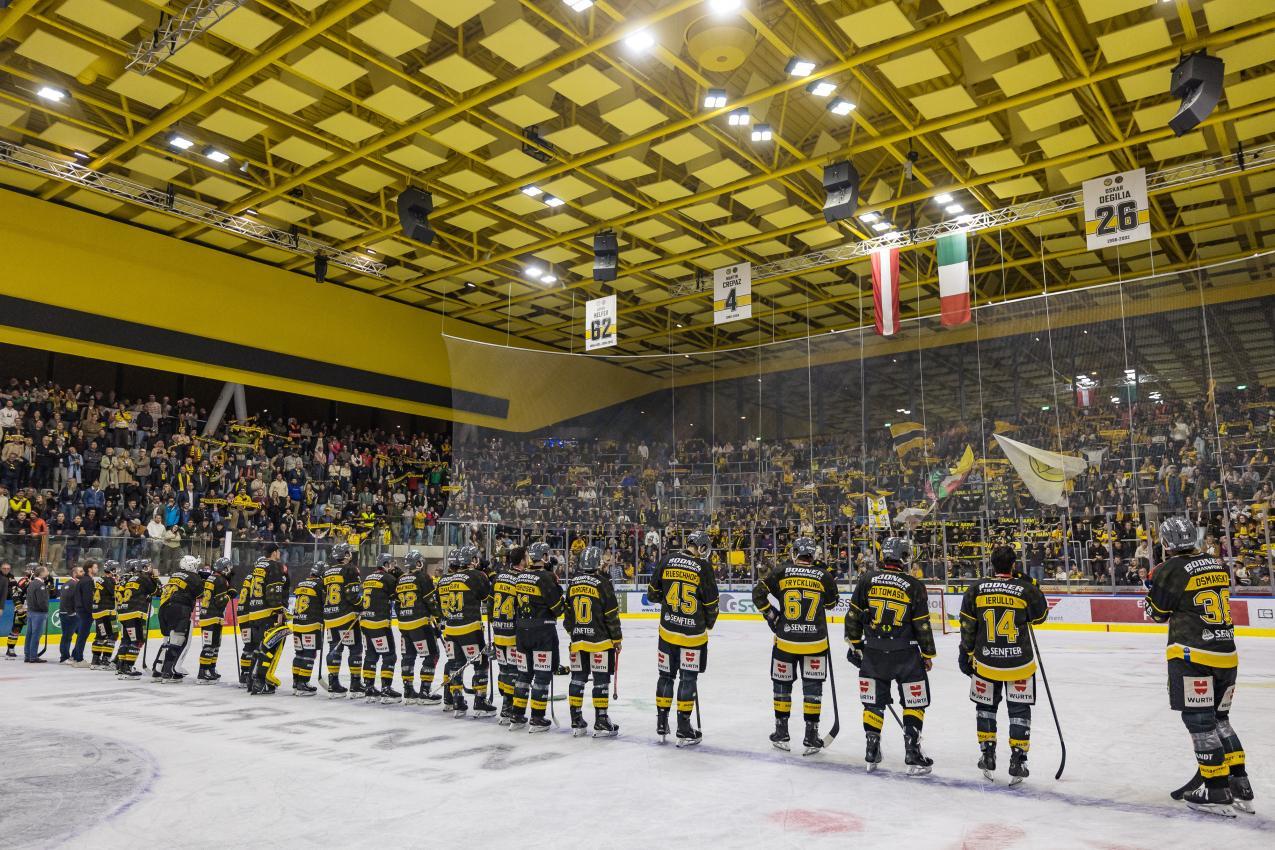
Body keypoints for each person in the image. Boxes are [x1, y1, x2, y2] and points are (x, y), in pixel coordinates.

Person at [1144, 516, 1252, 816]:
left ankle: (1216, 789)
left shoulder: (1169, 569)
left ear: (1166, 543)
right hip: (1226, 654)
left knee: (1200, 721)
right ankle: (1239, 782)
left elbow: (1157, 614)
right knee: (1221, 719)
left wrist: (1149, 587)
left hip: (1193, 655)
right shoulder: (1215, 564)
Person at [957, 545, 1049, 785]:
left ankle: (987, 754)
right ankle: (1018, 759)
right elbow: (1040, 616)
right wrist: (1028, 582)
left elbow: (967, 627)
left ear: (991, 564)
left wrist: (965, 653)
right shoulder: (1024, 588)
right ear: (1014, 565)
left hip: (985, 661)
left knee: (985, 707)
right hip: (1019, 663)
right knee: (1019, 711)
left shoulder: (976, 589)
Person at [845, 537, 936, 775]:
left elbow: (853, 616)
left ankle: (871, 750)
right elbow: (922, 625)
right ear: (904, 557)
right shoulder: (914, 585)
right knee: (914, 701)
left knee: (873, 702)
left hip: (874, 652)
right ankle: (912, 753)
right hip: (905, 653)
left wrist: (855, 645)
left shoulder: (867, 579)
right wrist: (927, 654)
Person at [753, 536, 839, 754]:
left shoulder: (781, 571)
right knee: (813, 688)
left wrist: (772, 615)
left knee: (782, 686)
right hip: (815, 643)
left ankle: (781, 733)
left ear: (795, 553)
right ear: (814, 555)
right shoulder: (823, 575)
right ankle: (811, 736)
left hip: (786, 642)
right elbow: (832, 603)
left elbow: (758, 593)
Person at [647, 529, 719, 746]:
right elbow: (711, 604)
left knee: (665, 677)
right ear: (702, 547)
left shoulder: (667, 560)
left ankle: (661, 722)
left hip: (667, 633)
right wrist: (705, 623)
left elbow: (652, 594)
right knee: (688, 679)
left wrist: (669, 607)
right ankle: (684, 728)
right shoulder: (703, 567)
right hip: (692, 637)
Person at [563, 545, 622, 738]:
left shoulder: (572, 584)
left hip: (578, 642)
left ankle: (576, 720)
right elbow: (611, 615)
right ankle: (601, 720)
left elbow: (567, 617)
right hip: (600, 643)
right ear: (597, 562)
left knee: (577, 679)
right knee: (601, 681)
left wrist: (575, 633)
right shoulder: (603, 583)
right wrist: (617, 639)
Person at [436, 545, 495, 719]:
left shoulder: (446, 579)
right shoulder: (476, 575)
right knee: (481, 663)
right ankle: (480, 701)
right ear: (474, 560)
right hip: (469, 628)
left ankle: (457, 702)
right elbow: (487, 597)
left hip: (450, 629)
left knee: (455, 665)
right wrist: (488, 574)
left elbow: (439, 605)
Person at [510, 541, 563, 732]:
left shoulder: (520, 576)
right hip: (542, 632)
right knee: (542, 674)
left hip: (521, 631)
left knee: (524, 673)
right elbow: (557, 609)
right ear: (546, 557)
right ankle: (537, 718)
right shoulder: (547, 577)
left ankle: (516, 715)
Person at [396, 550, 442, 705]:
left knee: (408, 656)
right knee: (432, 655)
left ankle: (408, 691)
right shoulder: (423, 577)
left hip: (403, 625)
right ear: (418, 563)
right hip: (420, 623)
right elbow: (430, 600)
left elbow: (397, 604)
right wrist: (438, 617)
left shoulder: (401, 579)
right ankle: (424, 692)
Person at [238, 543, 287, 688]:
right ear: (274, 553)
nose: (279, 554)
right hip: (267, 614)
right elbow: (274, 592)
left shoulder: (257, 567)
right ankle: (261, 682)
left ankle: (251, 681)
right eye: (278, 552)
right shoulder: (275, 566)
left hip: (254, 614)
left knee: (257, 648)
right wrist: (279, 611)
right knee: (268, 649)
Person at [321, 541, 364, 698]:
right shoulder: (350, 569)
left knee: (334, 648)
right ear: (346, 555)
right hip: (347, 617)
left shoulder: (327, 571)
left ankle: (333, 684)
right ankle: (355, 684)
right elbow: (352, 596)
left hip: (330, 618)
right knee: (355, 649)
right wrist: (362, 606)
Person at [359, 553, 402, 703]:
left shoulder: (368, 578)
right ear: (386, 564)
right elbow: (398, 596)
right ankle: (386, 689)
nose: (393, 567)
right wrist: (399, 576)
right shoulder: (388, 579)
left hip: (365, 622)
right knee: (389, 655)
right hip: (379, 623)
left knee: (371, 655)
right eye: (391, 564)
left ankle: (369, 688)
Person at [156, 555, 205, 683]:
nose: (196, 567)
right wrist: (203, 580)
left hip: (164, 608)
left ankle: (158, 668)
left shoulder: (174, 574)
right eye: (194, 565)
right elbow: (201, 593)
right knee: (178, 640)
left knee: (168, 639)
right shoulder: (193, 577)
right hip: (180, 608)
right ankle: (169, 671)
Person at [490, 546, 524, 724]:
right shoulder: (520, 579)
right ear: (522, 560)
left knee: (504, 669)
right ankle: (508, 706)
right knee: (513, 671)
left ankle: (505, 705)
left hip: (498, 631)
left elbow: (490, 602)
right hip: (512, 633)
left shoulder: (499, 576)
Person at [114, 560, 156, 678]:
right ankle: (128, 667)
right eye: (147, 567)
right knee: (138, 640)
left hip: (123, 613)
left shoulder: (126, 579)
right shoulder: (142, 577)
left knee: (126, 639)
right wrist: (155, 577)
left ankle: (121, 666)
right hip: (135, 613)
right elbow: (156, 590)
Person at [196, 558, 235, 683]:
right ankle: (202, 672)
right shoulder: (220, 580)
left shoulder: (211, 578)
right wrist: (229, 595)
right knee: (210, 646)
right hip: (212, 616)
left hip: (209, 615)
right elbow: (219, 601)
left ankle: (211, 669)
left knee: (214, 645)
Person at [89, 561, 120, 669]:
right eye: (115, 569)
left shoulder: (100, 579)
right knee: (114, 634)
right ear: (112, 570)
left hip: (98, 612)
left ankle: (95, 661)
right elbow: (116, 593)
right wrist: (118, 582)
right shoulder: (110, 580)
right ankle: (105, 659)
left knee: (101, 635)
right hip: (107, 612)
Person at [70, 560, 97, 667]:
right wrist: (92, 612)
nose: (97, 569)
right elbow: (87, 599)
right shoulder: (87, 581)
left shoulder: (84, 580)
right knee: (82, 635)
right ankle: (79, 659)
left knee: (82, 634)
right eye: (95, 567)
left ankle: (75, 656)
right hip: (85, 612)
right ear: (90, 569)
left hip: (82, 611)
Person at [23, 565, 49, 663]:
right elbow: (41, 601)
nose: (48, 572)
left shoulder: (32, 583)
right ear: (41, 573)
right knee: (36, 635)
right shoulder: (40, 585)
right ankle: (33, 656)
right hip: (38, 613)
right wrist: (45, 610)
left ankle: (28, 655)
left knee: (29, 634)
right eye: (46, 571)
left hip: (31, 612)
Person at [57, 565, 82, 663]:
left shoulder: (75, 584)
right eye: (80, 571)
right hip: (69, 615)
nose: (83, 573)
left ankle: (74, 655)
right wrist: (71, 613)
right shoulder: (71, 584)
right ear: (75, 573)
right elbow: (65, 600)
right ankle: (64, 657)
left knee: (82, 635)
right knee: (67, 636)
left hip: (75, 615)